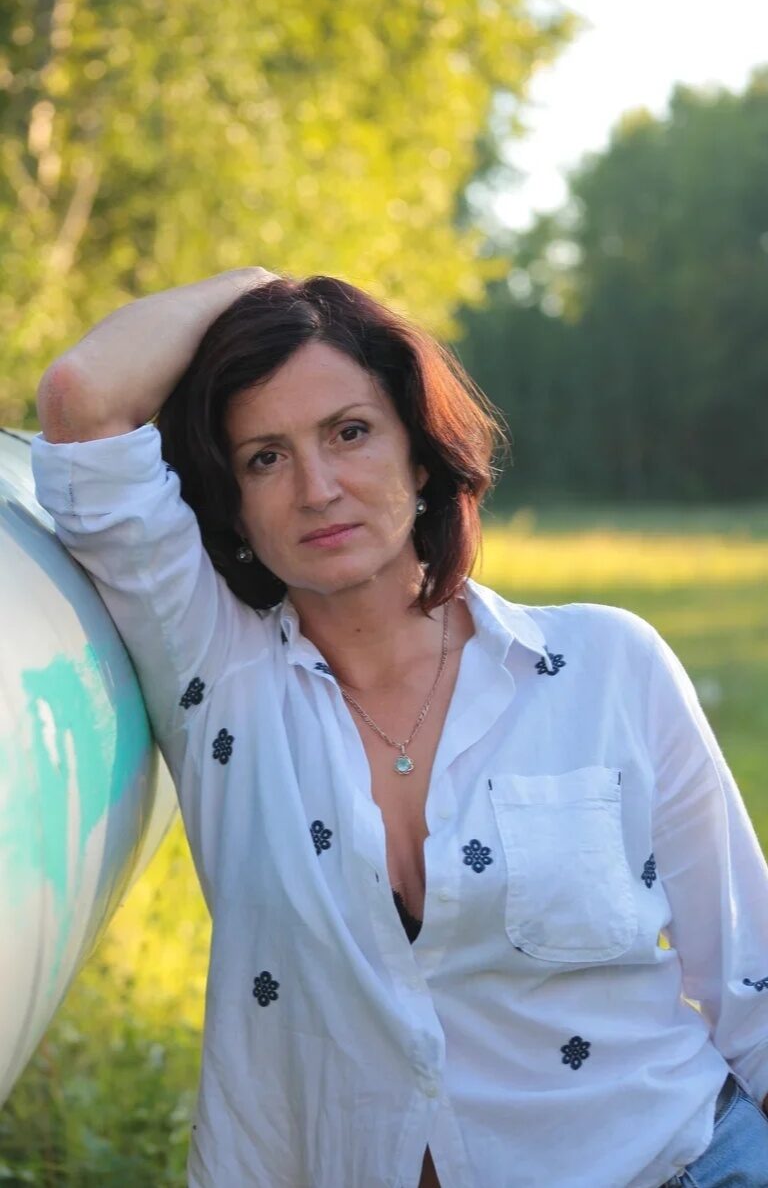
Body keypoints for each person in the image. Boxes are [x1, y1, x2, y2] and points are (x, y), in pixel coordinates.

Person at [31, 267, 768, 1188]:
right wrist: (265, 285)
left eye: (350, 432)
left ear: (419, 455)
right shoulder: (219, 680)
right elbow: (83, 399)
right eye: (265, 457)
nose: (318, 488)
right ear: (233, 502)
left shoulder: (610, 665)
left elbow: (752, 976)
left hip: (688, 1162)